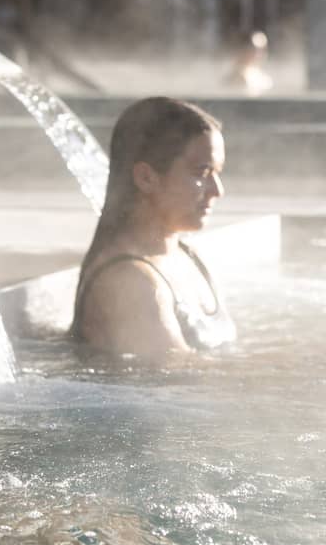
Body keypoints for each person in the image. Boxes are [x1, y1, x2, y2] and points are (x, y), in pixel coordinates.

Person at [70, 96, 235, 360]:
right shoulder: (131, 282)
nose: (218, 190)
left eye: (218, 172)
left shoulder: (187, 256)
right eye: (201, 172)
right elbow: (177, 383)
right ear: (146, 177)